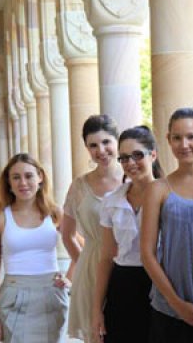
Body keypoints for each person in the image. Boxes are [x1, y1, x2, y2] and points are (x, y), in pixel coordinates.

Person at [141, 108, 193, 343]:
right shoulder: (158, 189)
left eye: (191, 136)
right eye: (177, 137)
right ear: (168, 140)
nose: (184, 144)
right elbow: (147, 253)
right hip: (169, 307)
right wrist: (177, 304)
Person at [0, 153, 69, 343]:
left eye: (29, 176)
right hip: (15, 296)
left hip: (51, 295)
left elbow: (83, 249)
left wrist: (69, 277)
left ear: (40, 177)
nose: (23, 182)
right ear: (9, 183)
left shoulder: (55, 214)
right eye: (16, 177)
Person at [92, 125, 162, 343]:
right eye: (124, 158)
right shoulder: (112, 201)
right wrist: (97, 309)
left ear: (153, 154)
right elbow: (105, 258)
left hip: (162, 285)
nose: (130, 163)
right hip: (123, 286)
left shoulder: (170, 197)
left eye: (137, 155)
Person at [61, 114, 123, 342]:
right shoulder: (79, 186)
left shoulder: (133, 180)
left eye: (106, 142)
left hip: (128, 262)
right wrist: (84, 260)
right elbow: (67, 234)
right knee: (96, 334)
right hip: (91, 267)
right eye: (93, 145)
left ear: (117, 141)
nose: (101, 150)